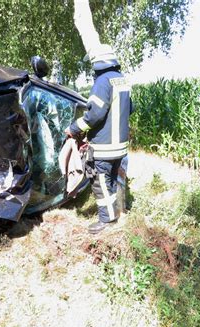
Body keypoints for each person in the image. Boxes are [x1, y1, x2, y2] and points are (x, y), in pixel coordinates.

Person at [65, 44, 131, 234]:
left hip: (104, 146)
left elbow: (94, 115)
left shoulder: (103, 82)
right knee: (112, 181)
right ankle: (116, 212)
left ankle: (106, 220)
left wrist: (73, 128)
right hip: (120, 147)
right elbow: (130, 109)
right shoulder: (122, 81)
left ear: (97, 62)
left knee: (101, 183)